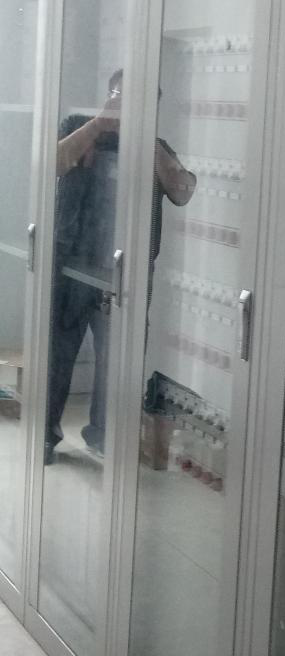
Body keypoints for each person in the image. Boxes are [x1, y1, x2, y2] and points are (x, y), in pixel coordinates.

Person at [45, 71, 196, 463]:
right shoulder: (79, 126)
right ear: (109, 95)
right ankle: (44, 434)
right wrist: (100, 123)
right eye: (123, 97)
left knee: (119, 360)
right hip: (72, 265)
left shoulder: (156, 147)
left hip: (126, 274)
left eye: (142, 102)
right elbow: (53, 164)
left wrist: (146, 138)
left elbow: (182, 191)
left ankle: (105, 436)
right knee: (57, 352)